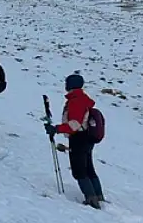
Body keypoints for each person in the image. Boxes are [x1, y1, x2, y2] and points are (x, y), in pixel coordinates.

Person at [44, 74, 105, 209]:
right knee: (88, 167)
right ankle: (98, 196)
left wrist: (56, 129)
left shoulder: (76, 101)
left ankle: (91, 200)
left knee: (79, 170)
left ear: (70, 85)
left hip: (79, 138)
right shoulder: (81, 99)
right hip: (87, 137)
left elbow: (75, 124)